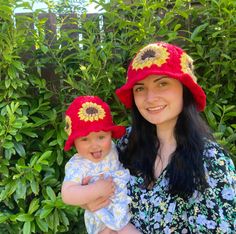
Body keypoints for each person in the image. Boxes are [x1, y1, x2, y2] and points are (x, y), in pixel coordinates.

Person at [84, 42, 236, 233]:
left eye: (162, 83)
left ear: (185, 89)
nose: (150, 98)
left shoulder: (212, 163)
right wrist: (91, 201)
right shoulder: (125, 144)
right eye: (140, 88)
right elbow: (91, 191)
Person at [61, 96, 141, 234]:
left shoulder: (112, 149)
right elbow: (67, 194)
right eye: (85, 139)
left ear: (110, 135)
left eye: (101, 137)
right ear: (74, 143)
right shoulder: (79, 165)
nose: (94, 145)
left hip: (124, 213)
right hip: (103, 220)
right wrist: (95, 189)